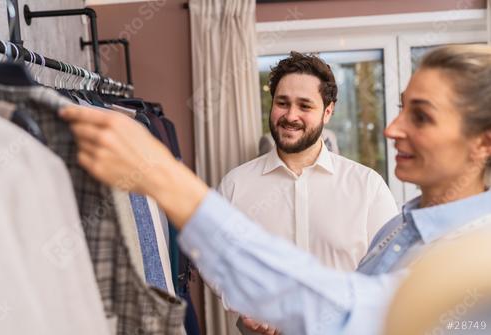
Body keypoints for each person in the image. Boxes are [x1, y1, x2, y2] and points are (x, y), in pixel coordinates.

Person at [59, 44, 491, 334]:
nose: (392, 129)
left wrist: (162, 177)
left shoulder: (475, 260)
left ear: (484, 142)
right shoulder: (402, 227)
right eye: (400, 109)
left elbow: (345, 311)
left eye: (422, 116)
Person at [218, 52, 397, 334]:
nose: (290, 116)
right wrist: (244, 302)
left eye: (305, 105)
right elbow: (215, 260)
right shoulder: (235, 185)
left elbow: (392, 273)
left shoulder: (368, 187)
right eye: (282, 103)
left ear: (328, 111)